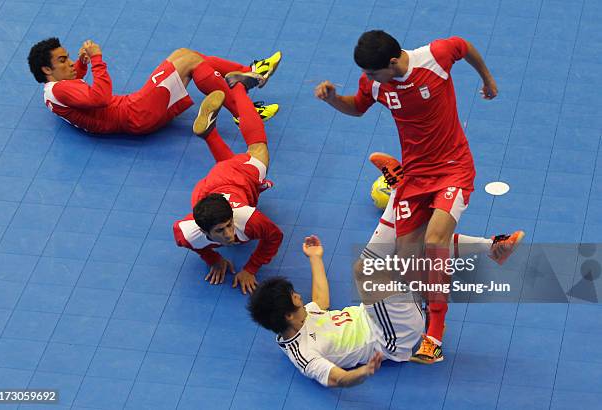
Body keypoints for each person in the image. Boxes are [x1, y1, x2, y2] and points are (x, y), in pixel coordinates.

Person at [315, 30, 523, 364]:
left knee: (435, 239)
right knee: (412, 264)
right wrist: (332, 100)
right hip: (417, 176)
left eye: (372, 73)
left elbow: (464, 45)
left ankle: (435, 335)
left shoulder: (435, 57)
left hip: (454, 167)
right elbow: (357, 107)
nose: (366, 79)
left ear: (393, 61)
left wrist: (488, 80)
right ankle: (492, 247)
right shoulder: (375, 84)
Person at [248, 235, 425, 387]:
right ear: (288, 316)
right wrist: (364, 371)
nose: (300, 297)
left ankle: (426, 306)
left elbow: (320, 300)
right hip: (390, 335)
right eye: (294, 296)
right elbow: (338, 379)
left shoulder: (301, 318)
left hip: (378, 314)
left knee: (389, 256)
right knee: (367, 270)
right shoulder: (304, 353)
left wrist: (315, 257)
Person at [27, 37, 280, 135]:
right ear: (47, 70)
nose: (69, 63)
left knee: (188, 55)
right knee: (190, 61)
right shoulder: (62, 90)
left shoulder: (53, 92)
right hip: (136, 112)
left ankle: (250, 74)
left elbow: (79, 91)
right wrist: (96, 59)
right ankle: (244, 112)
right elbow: (100, 97)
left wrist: (80, 65)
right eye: (63, 61)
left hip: (134, 111)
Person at [173, 81, 282, 295]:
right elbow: (192, 244)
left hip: (238, 178)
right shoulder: (186, 233)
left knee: (257, 148)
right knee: (239, 156)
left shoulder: (250, 219)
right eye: (221, 231)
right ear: (203, 231)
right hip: (209, 187)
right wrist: (212, 259)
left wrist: (251, 268)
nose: (230, 233)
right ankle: (212, 130)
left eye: (229, 225)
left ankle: (239, 87)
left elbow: (274, 236)